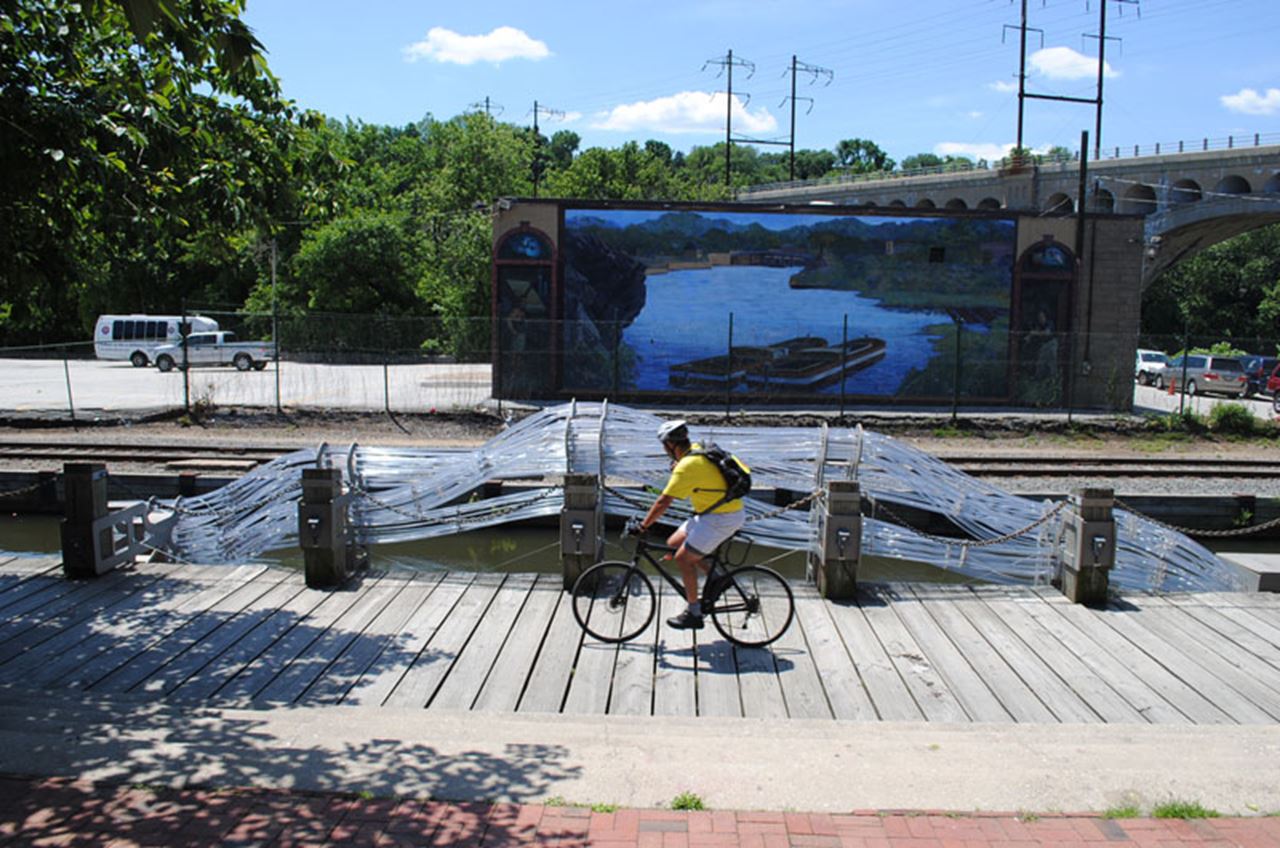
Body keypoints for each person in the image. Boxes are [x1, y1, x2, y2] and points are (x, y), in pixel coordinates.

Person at [628, 420, 748, 630]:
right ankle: (719, 578)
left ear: (670, 445)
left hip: (721, 518)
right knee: (673, 544)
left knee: (683, 558)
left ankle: (694, 613)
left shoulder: (687, 466)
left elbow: (663, 501)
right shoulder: (697, 450)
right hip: (713, 513)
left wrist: (644, 526)